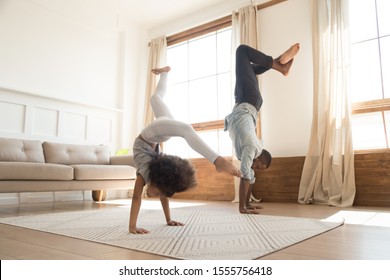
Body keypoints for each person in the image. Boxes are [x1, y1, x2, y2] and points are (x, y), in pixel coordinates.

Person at [129, 66, 241, 234]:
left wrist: (168, 220)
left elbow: (151, 195)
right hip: (155, 133)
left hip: (154, 135)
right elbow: (138, 197)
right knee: (156, 99)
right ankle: (218, 161)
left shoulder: (144, 175)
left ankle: (165, 73)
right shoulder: (151, 177)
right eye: (159, 192)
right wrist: (133, 227)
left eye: (159, 192)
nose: (154, 195)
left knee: (183, 127)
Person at [225, 43, 299, 214]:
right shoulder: (252, 148)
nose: (255, 169)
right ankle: (280, 67)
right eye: (258, 166)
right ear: (259, 158)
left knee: (249, 68)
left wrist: (249, 204)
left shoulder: (247, 151)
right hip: (248, 100)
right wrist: (242, 208)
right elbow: (245, 175)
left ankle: (277, 63)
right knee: (241, 50)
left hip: (243, 101)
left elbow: (249, 177)